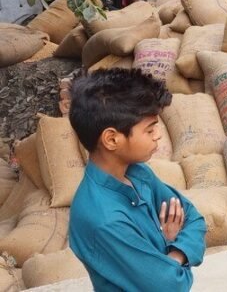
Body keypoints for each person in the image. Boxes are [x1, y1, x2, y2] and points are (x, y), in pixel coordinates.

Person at [68, 68, 207, 290]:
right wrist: (170, 245)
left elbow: (194, 218)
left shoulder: (137, 173)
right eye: (149, 130)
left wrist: (174, 254)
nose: (158, 135)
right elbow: (171, 285)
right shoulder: (103, 220)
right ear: (112, 139)